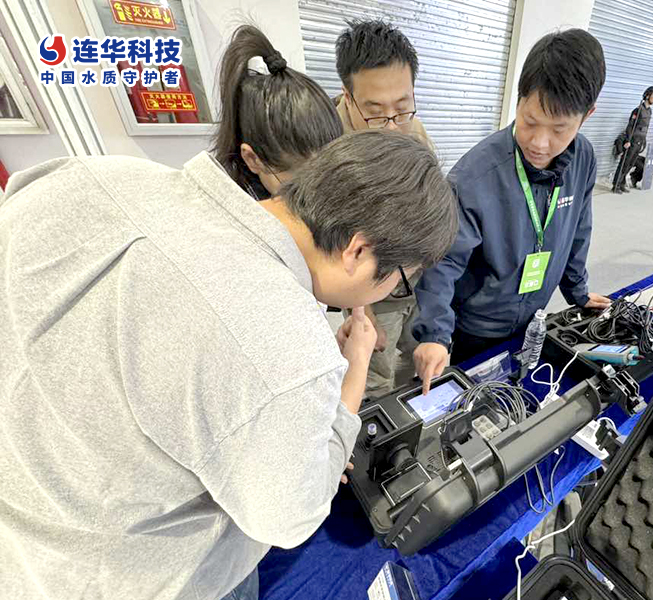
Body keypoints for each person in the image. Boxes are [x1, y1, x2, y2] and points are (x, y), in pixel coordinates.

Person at [0, 129, 456, 600]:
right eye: (400, 282)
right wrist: (354, 365)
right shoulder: (285, 351)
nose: (391, 293)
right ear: (358, 251)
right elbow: (291, 516)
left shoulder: (92, 174)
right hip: (127, 577)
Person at [412, 29, 611, 393]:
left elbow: (579, 228)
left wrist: (578, 291)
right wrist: (435, 334)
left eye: (559, 129)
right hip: (477, 327)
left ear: (586, 116)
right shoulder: (474, 176)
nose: (540, 143)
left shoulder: (583, 157)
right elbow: (442, 262)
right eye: (530, 121)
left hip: (534, 317)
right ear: (519, 100)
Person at [334, 19, 434, 397]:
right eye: (375, 112)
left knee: (417, 362)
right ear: (348, 96)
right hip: (370, 291)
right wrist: (361, 310)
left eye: (402, 108)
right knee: (374, 378)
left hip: (415, 280)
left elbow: (431, 205)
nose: (392, 127)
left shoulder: (414, 131)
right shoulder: (324, 147)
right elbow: (326, 244)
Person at [212, 25, 339, 201]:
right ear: (252, 159)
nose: (316, 195)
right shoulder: (231, 207)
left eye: (327, 175)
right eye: (298, 189)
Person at [612, 85, 653, 194]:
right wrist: (627, 140)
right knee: (624, 163)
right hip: (632, 141)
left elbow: (645, 128)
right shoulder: (638, 110)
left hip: (640, 142)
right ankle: (616, 185)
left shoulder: (649, 111)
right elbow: (630, 126)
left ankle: (622, 184)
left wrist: (643, 141)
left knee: (630, 164)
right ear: (647, 96)